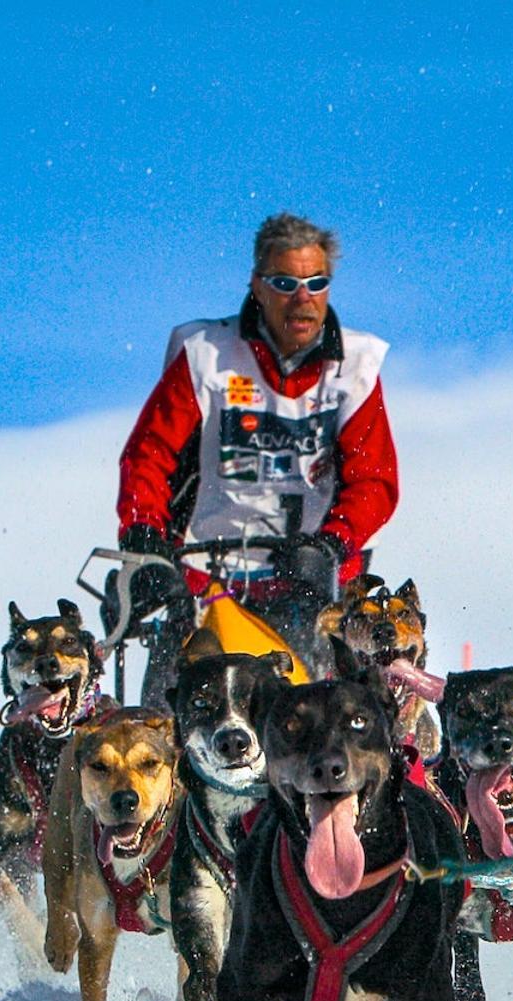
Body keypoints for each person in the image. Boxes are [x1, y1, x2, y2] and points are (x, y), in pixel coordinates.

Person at [115, 212, 399, 697]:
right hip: (205, 577)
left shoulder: (354, 368)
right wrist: (145, 537)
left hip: (311, 581)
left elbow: (374, 480)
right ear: (257, 286)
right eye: (285, 283)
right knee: (174, 707)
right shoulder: (207, 356)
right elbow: (149, 456)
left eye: (316, 283)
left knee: (333, 711)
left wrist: (331, 544)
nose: (303, 298)